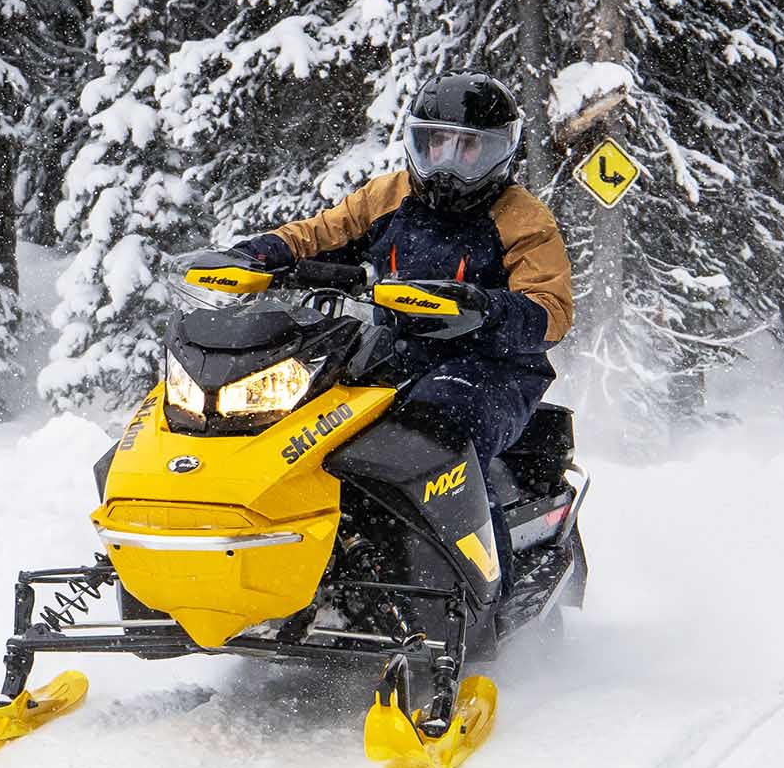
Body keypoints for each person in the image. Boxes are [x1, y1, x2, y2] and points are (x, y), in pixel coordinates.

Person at [215, 73, 574, 491]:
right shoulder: (388, 195)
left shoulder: (523, 218)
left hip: (492, 369)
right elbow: (321, 233)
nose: (447, 162)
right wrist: (261, 252)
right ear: (417, 143)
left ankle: (482, 554)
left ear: (500, 151)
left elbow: (552, 311)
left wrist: (484, 308)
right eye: (436, 143)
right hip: (391, 356)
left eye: (468, 147)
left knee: (436, 442)